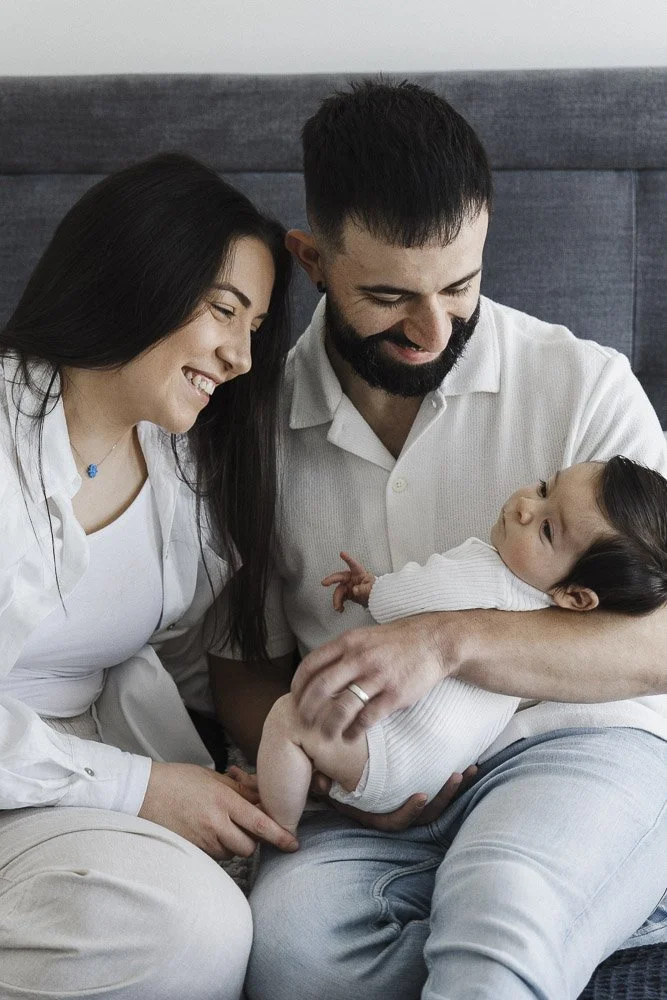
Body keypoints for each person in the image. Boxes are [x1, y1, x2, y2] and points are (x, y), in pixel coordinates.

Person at [206, 81, 667, 1000]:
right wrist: (330, 774)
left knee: (505, 901)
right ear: (311, 260)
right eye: (388, 296)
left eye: (460, 286)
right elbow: (242, 667)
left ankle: (525, 913)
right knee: (290, 957)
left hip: (568, 742)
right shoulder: (247, 428)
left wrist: (446, 640)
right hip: (372, 789)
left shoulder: (583, 384)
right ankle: (578, 916)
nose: (431, 328)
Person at [0, 152, 299, 1000]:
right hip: (53, 780)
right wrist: (139, 788)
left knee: (201, 921)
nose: (241, 356)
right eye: (224, 311)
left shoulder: (177, 468)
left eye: (254, 327)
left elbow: (197, 658)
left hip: (53, 797)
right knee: (186, 928)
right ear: (139, 275)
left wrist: (295, 760)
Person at [257, 457, 667, 832]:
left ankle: (277, 825)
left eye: (547, 529)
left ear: (576, 596)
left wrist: (370, 591)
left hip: (392, 750)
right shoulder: (549, 625)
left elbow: (412, 597)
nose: (526, 506)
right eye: (544, 488)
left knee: (288, 718)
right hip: (434, 777)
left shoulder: (488, 573)